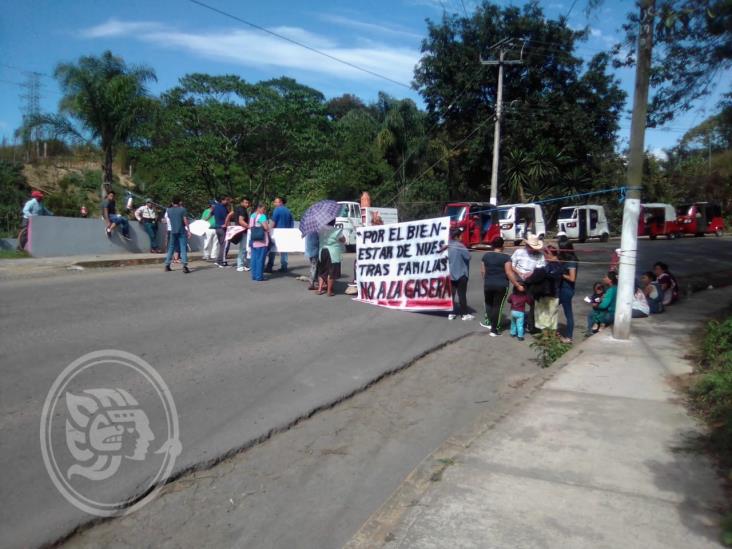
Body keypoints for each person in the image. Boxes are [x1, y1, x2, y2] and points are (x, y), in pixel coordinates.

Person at [479, 237, 522, 336]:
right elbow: (509, 273)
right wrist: (517, 284)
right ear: (502, 245)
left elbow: (483, 271)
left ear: (492, 245)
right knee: (497, 306)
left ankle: (489, 323)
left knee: (489, 304)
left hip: (488, 284)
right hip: (501, 285)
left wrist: (487, 280)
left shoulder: (486, 256)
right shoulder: (506, 257)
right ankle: (494, 330)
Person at [511, 234, 545, 332]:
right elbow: (512, 265)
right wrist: (519, 272)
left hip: (533, 282)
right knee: (517, 303)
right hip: (520, 281)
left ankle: (531, 326)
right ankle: (516, 325)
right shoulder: (519, 252)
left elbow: (541, 268)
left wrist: (531, 273)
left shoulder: (540, 255)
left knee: (533, 304)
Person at [531, 245, 563, 335]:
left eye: (545, 253)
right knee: (552, 317)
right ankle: (551, 337)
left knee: (544, 316)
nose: (544, 256)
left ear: (549, 254)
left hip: (547, 295)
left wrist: (537, 272)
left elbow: (545, 276)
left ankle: (546, 338)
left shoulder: (551, 266)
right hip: (554, 294)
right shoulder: (559, 265)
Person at [447, 228, 473, 320]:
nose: (462, 237)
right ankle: (464, 314)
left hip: (451, 274)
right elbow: (468, 256)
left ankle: (451, 313)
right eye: (461, 235)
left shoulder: (448, 245)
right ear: (457, 237)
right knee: (462, 294)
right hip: (461, 274)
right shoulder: (460, 246)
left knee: (452, 295)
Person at [317, 220, 346, 296]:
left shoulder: (320, 230)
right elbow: (343, 240)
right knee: (332, 271)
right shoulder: (336, 231)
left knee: (322, 271)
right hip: (333, 253)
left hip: (322, 252)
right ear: (334, 222)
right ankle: (329, 291)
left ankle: (319, 289)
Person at [267, 197, 295, 273]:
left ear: (281, 202)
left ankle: (269, 266)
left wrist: (268, 229)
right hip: (286, 233)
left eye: (276, 202)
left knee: (273, 250)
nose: (275, 204)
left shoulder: (277, 210)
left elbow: (273, 222)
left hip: (277, 232)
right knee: (284, 250)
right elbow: (292, 223)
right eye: (274, 202)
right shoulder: (288, 211)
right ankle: (284, 267)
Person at [558, 241, 579, 343]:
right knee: (551, 308)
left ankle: (569, 337)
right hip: (562, 289)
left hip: (566, 290)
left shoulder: (571, 261)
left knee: (568, 313)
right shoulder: (566, 259)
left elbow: (572, 278)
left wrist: (561, 274)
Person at [163, 197, 191, 273]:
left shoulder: (168, 210)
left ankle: (167, 265)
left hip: (173, 231)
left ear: (172, 202)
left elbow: (168, 219)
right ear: (179, 202)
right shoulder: (182, 209)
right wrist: (188, 230)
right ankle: (184, 265)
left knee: (171, 247)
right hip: (181, 230)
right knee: (183, 247)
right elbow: (185, 220)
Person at [249, 203, 271, 281]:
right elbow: (266, 227)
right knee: (260, 259)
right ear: (259, 208)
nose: (264, 211)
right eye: (263, 209)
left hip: (253, 239)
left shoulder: (252, 216)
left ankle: (254, 275)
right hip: (261, 241)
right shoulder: (262, 216)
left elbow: (251, 226)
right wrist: (268, 227)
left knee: (254, 258)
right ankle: (259, 276)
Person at [207, 196, 231, 267]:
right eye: (226, 200)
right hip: (223, 228)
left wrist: (206, 219)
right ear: (222, 200)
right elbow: (227, 218)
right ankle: (221, 262)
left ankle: (218, 260)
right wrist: (227, 225)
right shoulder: (223, 208)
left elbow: (211, 214)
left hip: (217, 228)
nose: (227, 201)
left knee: (222, 245)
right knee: (225, 245)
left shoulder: (216, 207)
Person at [231, 197, 251, 272]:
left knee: (243, 248)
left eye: (248, 203)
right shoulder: (242, 210)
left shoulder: (237, 208)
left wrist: (227, 222)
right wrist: (249, 227)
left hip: (238, 230)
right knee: (243, 248)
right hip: (243, 231)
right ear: (241, 202)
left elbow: (230, 215)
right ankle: (240, 265)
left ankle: (244, 264)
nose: (247, 204)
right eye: (245, 202)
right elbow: (241, 221)